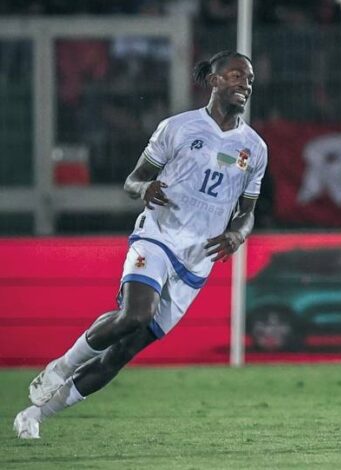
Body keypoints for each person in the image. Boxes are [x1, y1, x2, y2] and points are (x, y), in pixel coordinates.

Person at [14, 50, 267, 439]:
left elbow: (246, 212)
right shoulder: (178, 129)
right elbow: (133, 180)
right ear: (215, 81)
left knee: (124, 350)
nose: (244, 84)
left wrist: (238, 233)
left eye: (248, 78)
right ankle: (61, 366)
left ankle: (36, 414)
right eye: (235, 76)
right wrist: (145, 187)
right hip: (159, 235)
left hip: (196, 259)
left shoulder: (255, 148)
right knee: (135, 314)